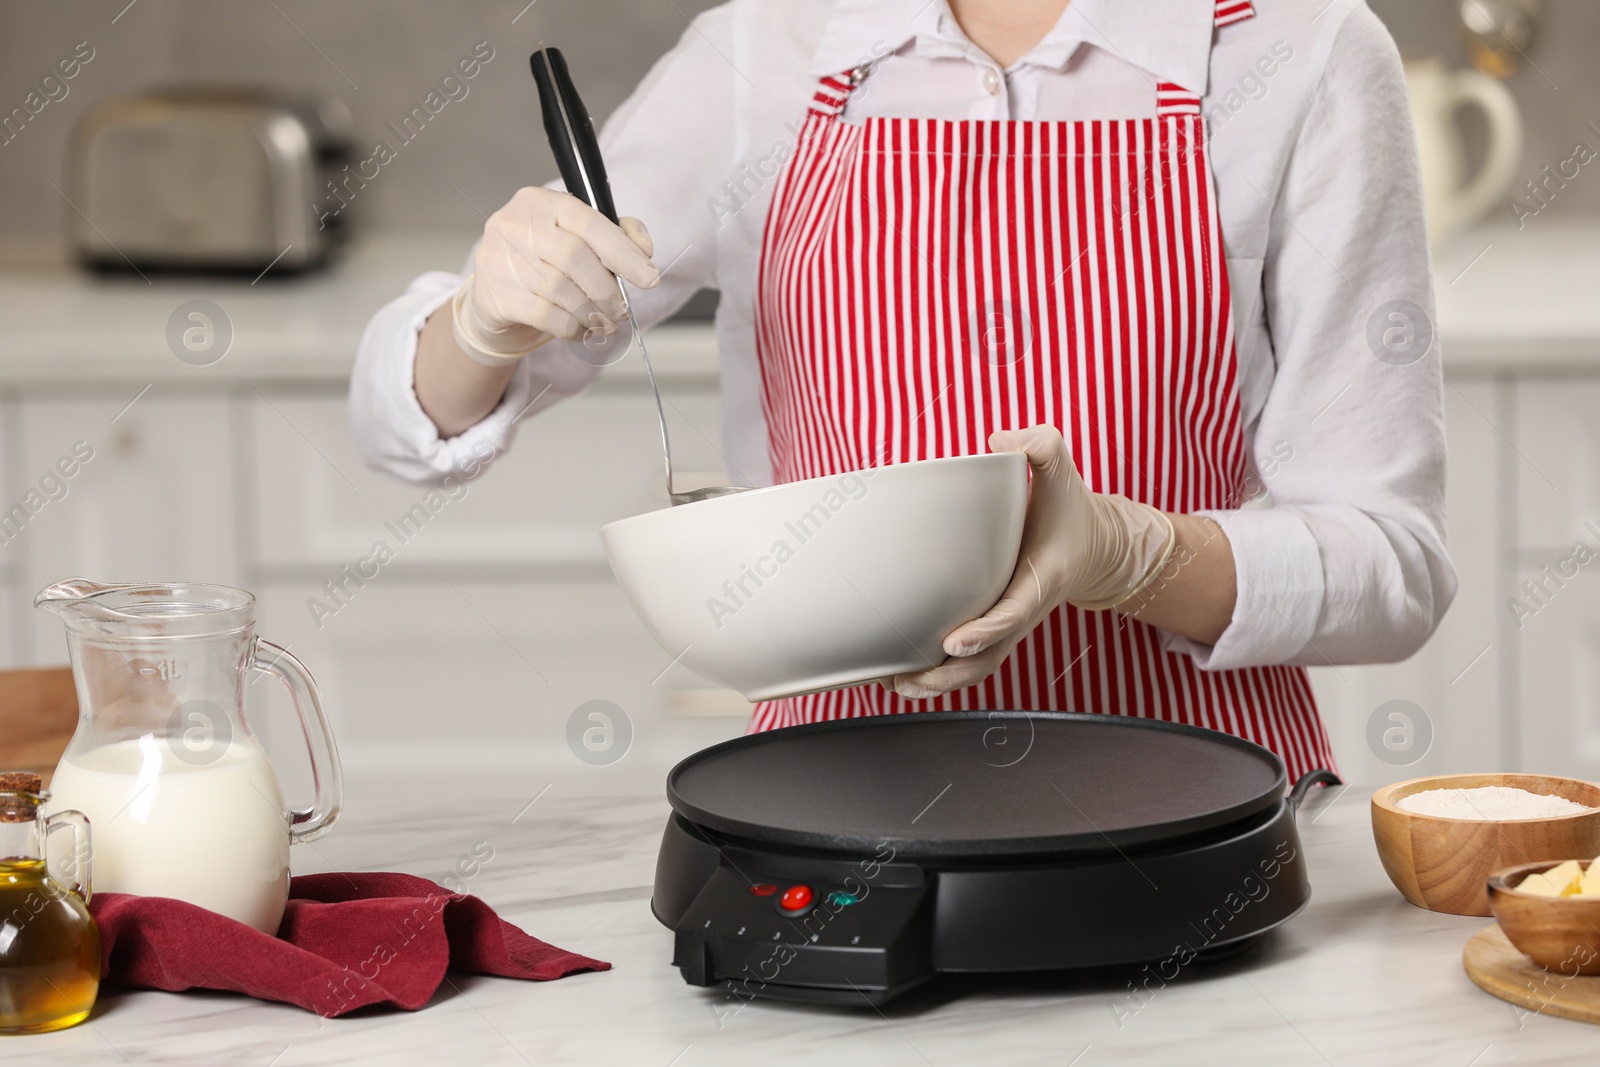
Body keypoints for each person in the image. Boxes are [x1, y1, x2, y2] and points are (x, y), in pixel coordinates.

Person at [351, 0, 1456, 781]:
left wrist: (1131, 553)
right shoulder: (768, 47)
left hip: (1196, 799)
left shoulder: (1304, 51)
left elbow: (1392, 563)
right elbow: (410, 425)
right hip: (825, 798)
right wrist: (484, 320)